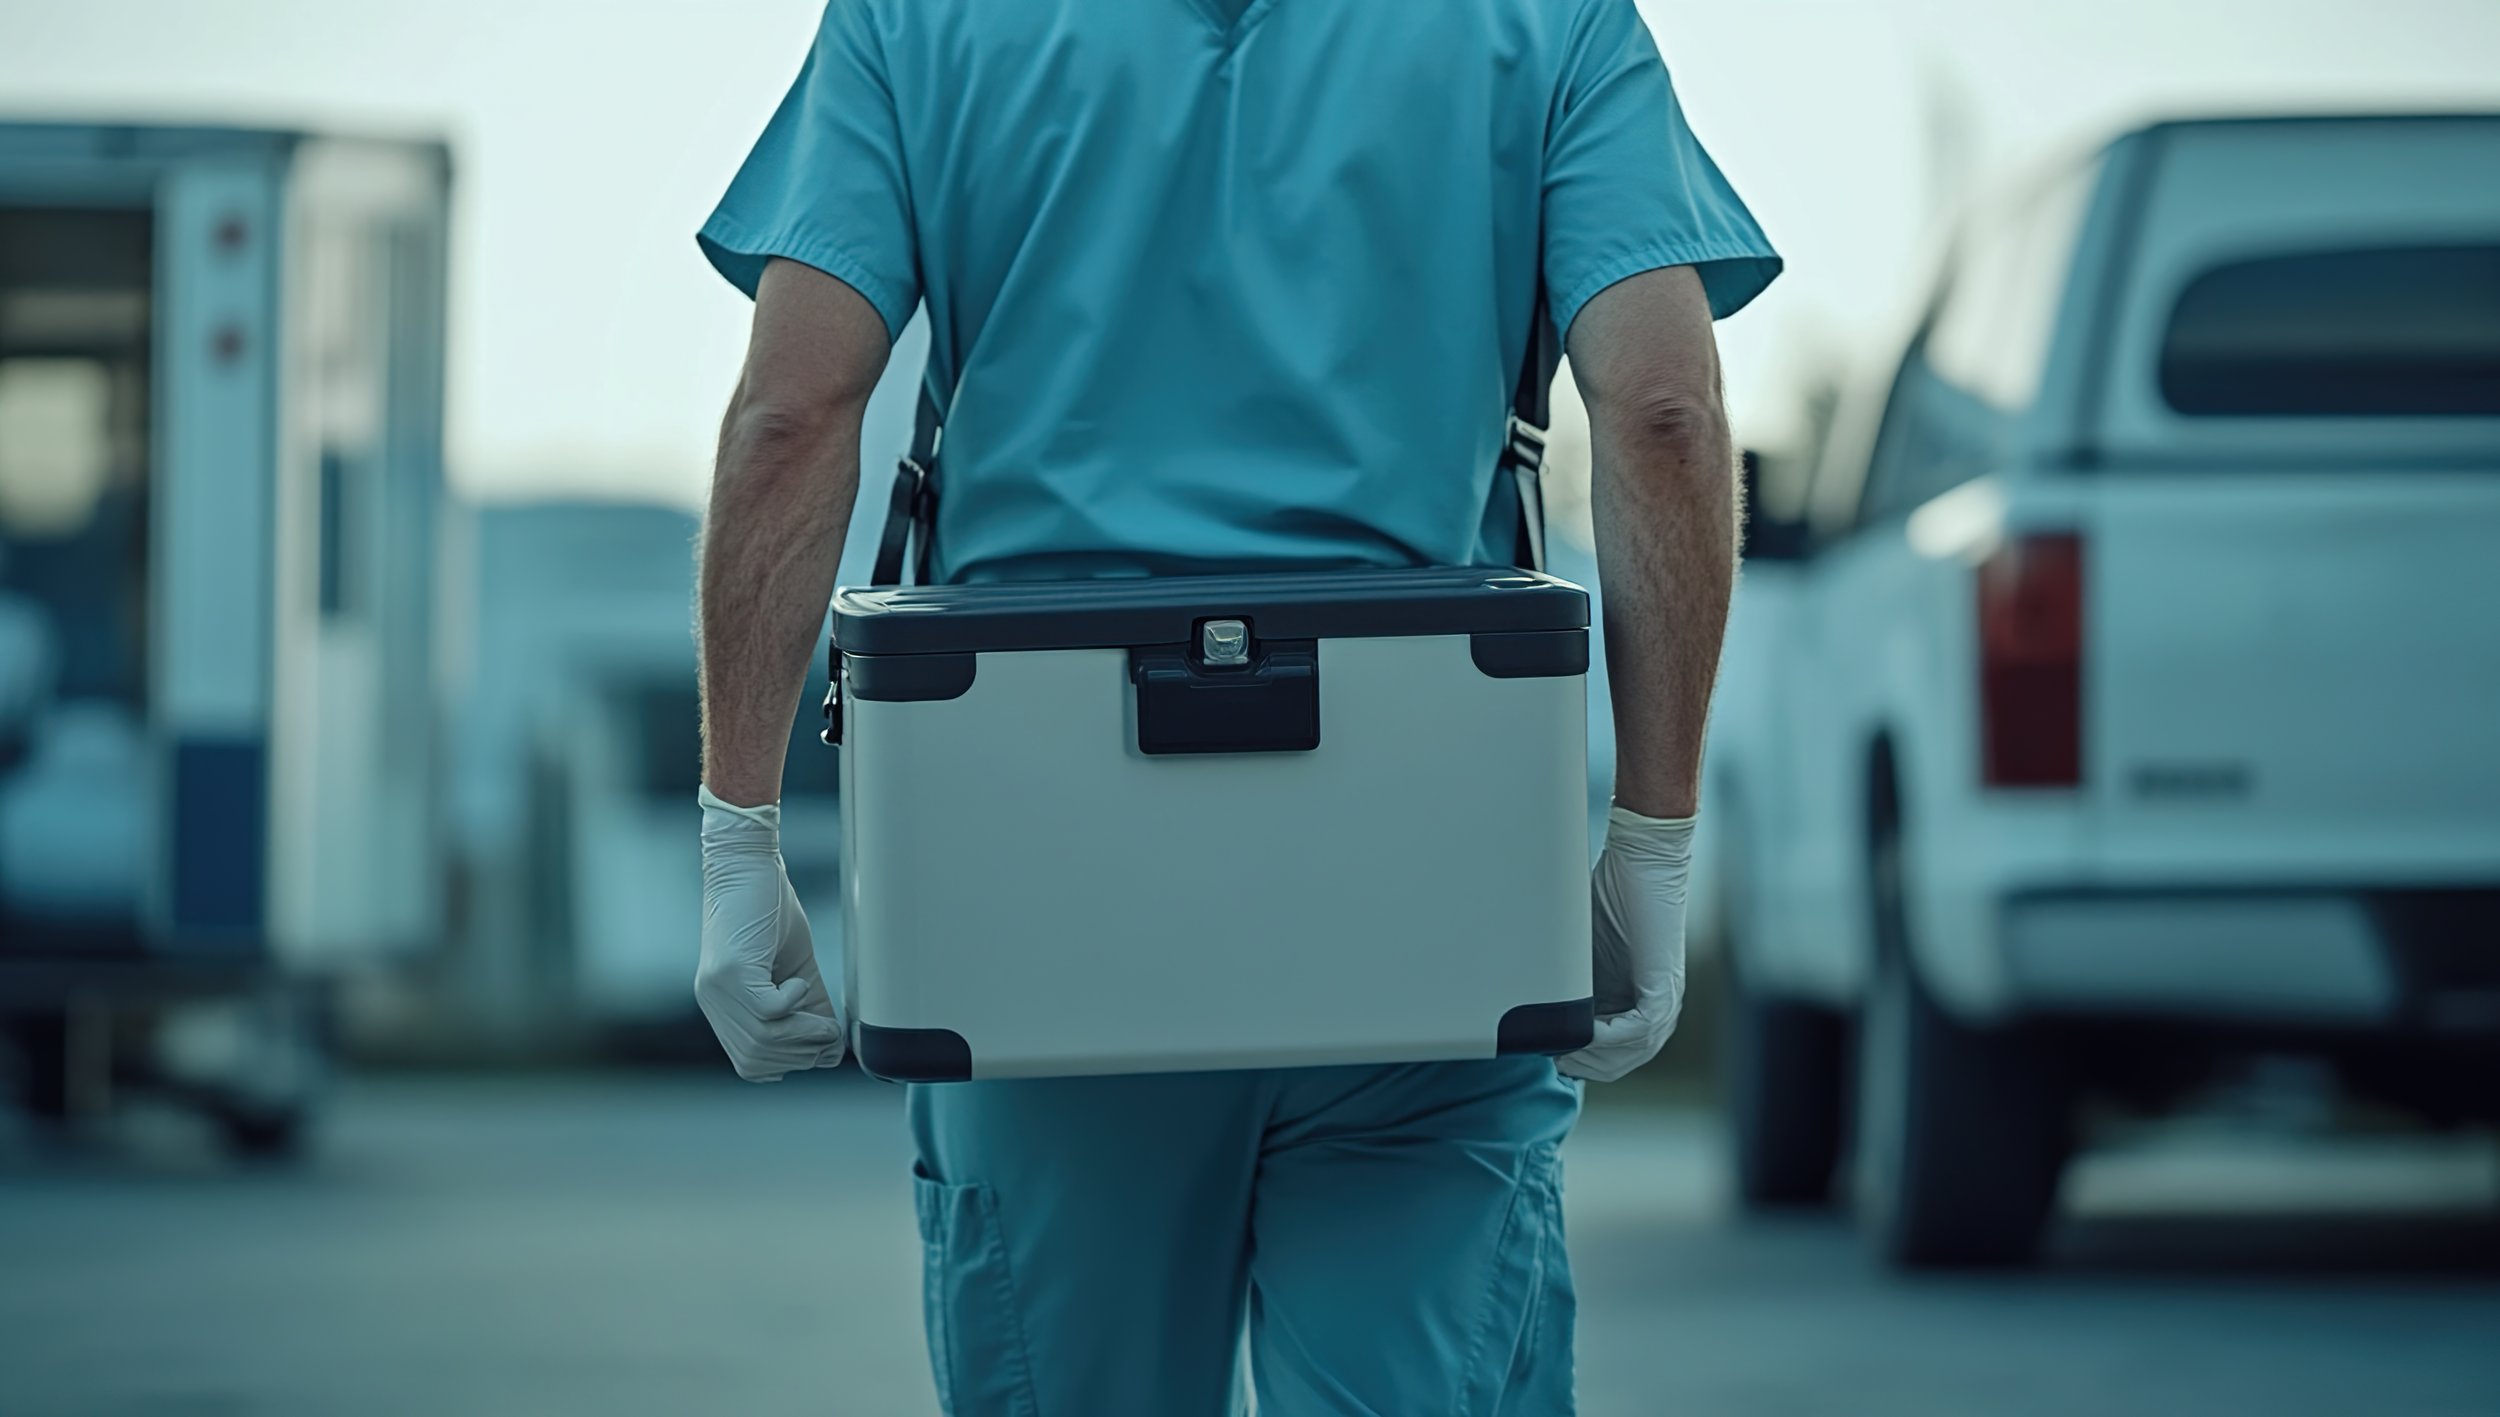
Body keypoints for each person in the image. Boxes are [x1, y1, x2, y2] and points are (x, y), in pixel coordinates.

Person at [689, 1, 1778, 1411]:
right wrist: (1653, 834)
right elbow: (1664, 411)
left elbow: (792, 411)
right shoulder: (1546, 21)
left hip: (1043, 923)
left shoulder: (917, 21)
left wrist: (739, 832)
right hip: (1423, 913)